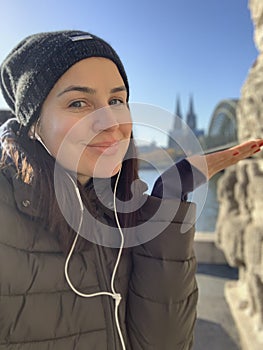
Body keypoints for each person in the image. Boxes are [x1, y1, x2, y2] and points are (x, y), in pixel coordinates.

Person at [0, 30, 262, 350]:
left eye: (116, 100)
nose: (111, 123)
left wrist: (169, 198)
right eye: (79, 102)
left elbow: (163, 343)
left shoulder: (121, 211)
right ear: (33, 124)